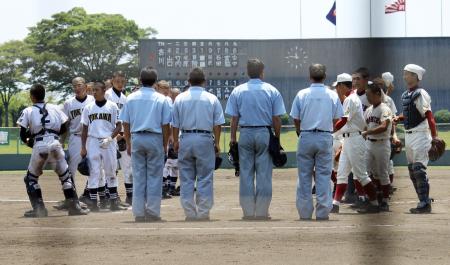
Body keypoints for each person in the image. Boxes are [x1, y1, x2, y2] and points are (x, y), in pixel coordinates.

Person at [225, 58, 286, 220]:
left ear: (247, 72)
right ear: (262, 72)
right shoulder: (271, 90)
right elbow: (277, 119)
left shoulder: (238, 91)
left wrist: (232, 138)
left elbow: (234, 118)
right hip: (264, 133)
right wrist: (277, 139)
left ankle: (248, 212)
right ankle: (261, 211)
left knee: (245, 173)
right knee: (264, 174)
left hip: (245, 133)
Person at [17, 83, 88, 217]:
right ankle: (74, 207)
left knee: (31, 179)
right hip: (55, 143)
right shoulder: (55, 108)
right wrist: (56, 136)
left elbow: (22, 134)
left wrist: (29, 142)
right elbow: (65, 126)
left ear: (32, 97)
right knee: (66, 177)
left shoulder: (28, 110)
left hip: (39, 144)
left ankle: (39, 209)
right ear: (44, 94)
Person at [290, 64, 343, 220]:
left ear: (310, 76)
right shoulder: (332, 95)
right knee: (324, 176)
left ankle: (305, 213)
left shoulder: (302, 94)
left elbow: (296, 118)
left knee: (304, 176)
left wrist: (300, 131)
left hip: (306, 136)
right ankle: (322, 212)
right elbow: (336, 118)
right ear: (325, 76)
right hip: (325, 136)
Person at [172, 67, 225, 221]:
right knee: (205, 177)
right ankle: (203, 212)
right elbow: (218, 124)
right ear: (204, 81)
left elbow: (174, 124)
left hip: (186, 137)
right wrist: (217, 142)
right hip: (204, 138)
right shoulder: (211, 98)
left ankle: (189, 213)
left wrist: (176, 141)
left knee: (186, 178)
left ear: (188, 81)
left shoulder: (180, 98)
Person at [120, 67, 172, 222]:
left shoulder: (131, 98)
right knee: (155, 177)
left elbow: (126, 123)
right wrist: (164, 144)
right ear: (155, 82)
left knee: (138, 177)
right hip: (155, 138)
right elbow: (165, 124)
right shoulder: (161, 99)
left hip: (137, 138)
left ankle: (139, 213)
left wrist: (129, 142)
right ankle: (153, 212)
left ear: (140, 80)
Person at [330, 73, 380, 214]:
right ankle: (335, 204)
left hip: (355, 139)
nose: (336, 89)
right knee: (342, 173)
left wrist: (330, 130)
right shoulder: (351, 98)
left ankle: (375, 203)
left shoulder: (350, 99)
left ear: (341, 86)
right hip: (348, 139)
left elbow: (344, 121)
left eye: (337, 86)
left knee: (361, 175)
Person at [80, 81, 126, 211]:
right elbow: (84, 128)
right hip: (93, 141)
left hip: (109, 142)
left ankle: (113, 202)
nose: (94, 92)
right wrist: (83, 147)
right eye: (93, 90)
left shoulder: (112, 106)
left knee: (111, 170)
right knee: (94, 171)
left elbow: (119, 125)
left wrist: (110, 138)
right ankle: (94, 204)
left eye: (97, 90)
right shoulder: (88, 108)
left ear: (104, 90)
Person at [398, 64, 437, 213]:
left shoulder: (421, 93)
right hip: (409, 136)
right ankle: (422, 201)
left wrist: (434, 137)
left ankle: (425, 203)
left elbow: (429, 116)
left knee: (419, 169)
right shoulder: (406, 94)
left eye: (407, 73)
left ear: (415, 76)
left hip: (421, 135)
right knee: (412, 171)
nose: (404, 76)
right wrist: (398, 118)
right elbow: (409, 114)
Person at [55, 77, 95, 210]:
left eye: (79, 85)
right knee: (70, 169)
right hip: (76, 138)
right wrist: (62, 141)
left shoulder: (93, 100)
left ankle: (90, 195)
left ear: (85, 86)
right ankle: (71, 198)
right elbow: (65, 124)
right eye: (74, 86)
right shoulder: (68, 103)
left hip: (92, 138)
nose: (77, 88)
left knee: (96, 167)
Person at [363, 83, 394, 212]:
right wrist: (365, 133)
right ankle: (374, 200)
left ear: (377, 94)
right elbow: (365, 126)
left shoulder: (384, 109)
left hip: (382, 143)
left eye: (369, 95)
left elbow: (384, 126)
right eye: (366, 95)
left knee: (382, 173)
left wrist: (367, 132)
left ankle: (385, 202)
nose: (367, 98)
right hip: (369, 143)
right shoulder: (369, 110)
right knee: (367, 172)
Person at [105, 71, 133, 205]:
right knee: (111, 168)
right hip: (111, 135)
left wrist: (124, 135)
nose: (120, 83)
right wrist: (114, 136)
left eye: (122, 81)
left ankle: (130, 196)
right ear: (112, 80)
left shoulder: (124, 97)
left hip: (123, 135)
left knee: (128, 167)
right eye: (118, 81)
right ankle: (111, 197)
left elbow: (126, 118)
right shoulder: (107, 95)